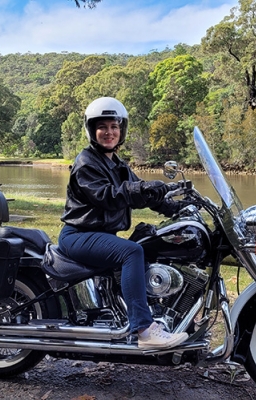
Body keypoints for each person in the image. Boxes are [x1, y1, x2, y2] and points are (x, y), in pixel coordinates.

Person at [58, 97, 188, 350]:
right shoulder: (86, 162)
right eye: (103, 127)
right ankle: (144, 330)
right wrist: (142, 188)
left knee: (149, 244)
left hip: (98, 235)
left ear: (122, 130)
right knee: (132, 251)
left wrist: (177, 207)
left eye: (114, 126)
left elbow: (143, 194)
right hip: (79, 234)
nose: (109, 132)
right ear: (92, 130)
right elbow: (109, 196)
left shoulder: (117, 164)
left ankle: (156, 313)